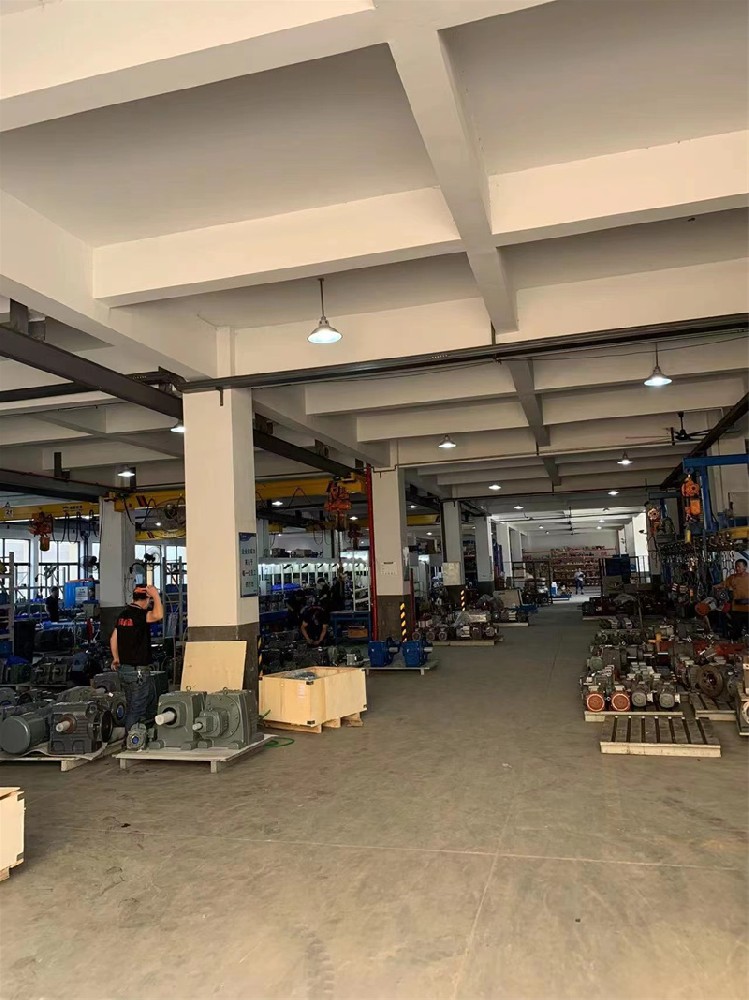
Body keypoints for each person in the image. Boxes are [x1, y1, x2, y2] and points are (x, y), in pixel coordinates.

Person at [110, 584, 163, 730]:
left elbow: (113, 638)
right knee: (136, 710)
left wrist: (116, 658)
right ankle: (130, 738)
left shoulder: (122, 615)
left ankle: (140, 733)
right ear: (146, 600)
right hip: (138, 672)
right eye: (149, 600)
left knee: (137, 704)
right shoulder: (140, 615)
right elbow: (158, 615)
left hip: (124, 670)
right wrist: (156, 595)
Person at [716, 558, 749, 639]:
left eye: (739, 566)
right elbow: (723, 584)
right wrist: (715, 587)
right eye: (736, 566)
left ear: (745, 567)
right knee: (736, 633)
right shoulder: (732, 578)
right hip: (737, 609)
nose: (737, 568)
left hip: (748, 609)